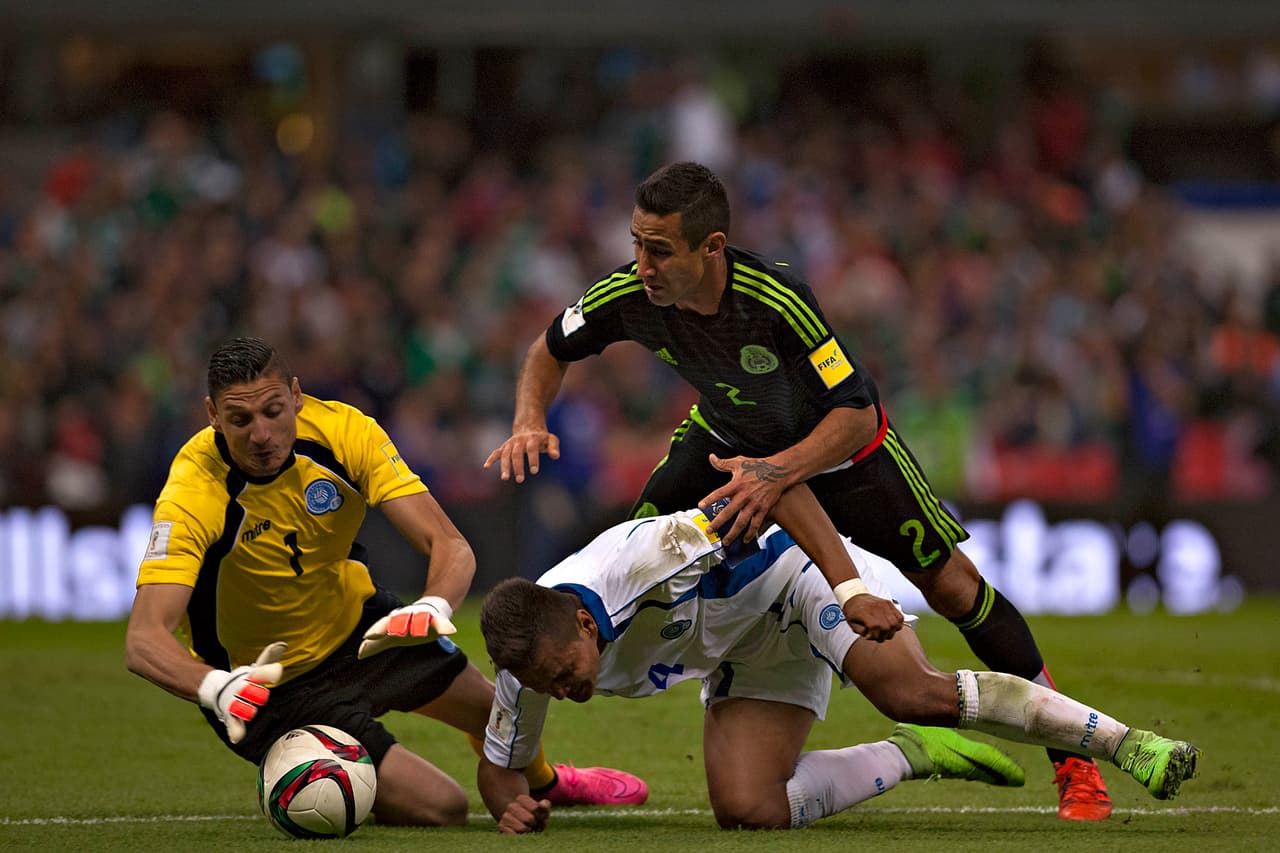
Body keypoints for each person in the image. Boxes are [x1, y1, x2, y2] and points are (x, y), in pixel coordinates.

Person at [484, 160, 1112, 819]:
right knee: (643, 543)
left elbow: (857, 413)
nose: (642, 265)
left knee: (953, 585)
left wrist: (779, 472)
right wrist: (528, 419)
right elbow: (548, 348)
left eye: (660, 251)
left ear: (711, 247)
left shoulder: (775, 300)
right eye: (637, 245)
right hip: (724, 440)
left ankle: (1075, 760)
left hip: (843, 455)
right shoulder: (627, 294)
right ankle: (741, 653)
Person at [125, 336, 647, 829]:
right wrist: (214, 687)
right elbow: (145, 638)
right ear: (213, 415)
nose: (260, 434)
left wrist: (434, 605)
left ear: (297, 397)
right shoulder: (193, 492)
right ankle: (314, 773)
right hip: (268, 688)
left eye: (273, 411)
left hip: (362, 633)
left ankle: (549, 783)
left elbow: (450, 546)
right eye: (240, 420)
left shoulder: (345, 433)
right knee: (444, 807)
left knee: (504, 718)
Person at [474, 488, 1200, 833]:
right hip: (744, 649)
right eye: (546, 685)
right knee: (748, 809)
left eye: (563, 674)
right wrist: (511, 807)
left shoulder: (644, 558)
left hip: (795, 576)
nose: (562, 691)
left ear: (582, 620)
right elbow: (499, 765)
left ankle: (1126, 744)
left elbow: (779, 494)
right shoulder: (527, 657)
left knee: (908, 690)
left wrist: (849, 587)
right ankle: (914, 754)